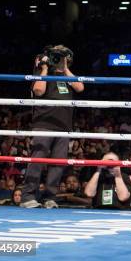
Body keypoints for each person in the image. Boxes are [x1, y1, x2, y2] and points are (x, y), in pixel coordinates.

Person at [20, 45, 84, 209]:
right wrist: (44, 68)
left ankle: (50, 197)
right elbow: (39, 91)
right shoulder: (42, 75)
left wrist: (65, 68)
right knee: (37, 161)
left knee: (58, 164)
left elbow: (80, 87)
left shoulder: (66, 77)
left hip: (64, 127)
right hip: (44, 125)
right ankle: (27, 197)